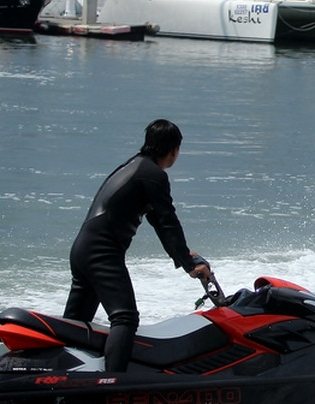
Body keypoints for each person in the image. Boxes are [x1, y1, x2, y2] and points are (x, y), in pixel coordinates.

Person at [63, 119, 210, 372]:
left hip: (83, 249)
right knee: (125, 317)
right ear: (174, 150)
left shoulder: (134, 167)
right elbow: (167, 222)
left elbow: (157, 220)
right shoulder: (154, 175)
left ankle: (57, 373)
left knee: (75, 325)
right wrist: (189, 265)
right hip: (101, 252)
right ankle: (113, 384)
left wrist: (185, 256)